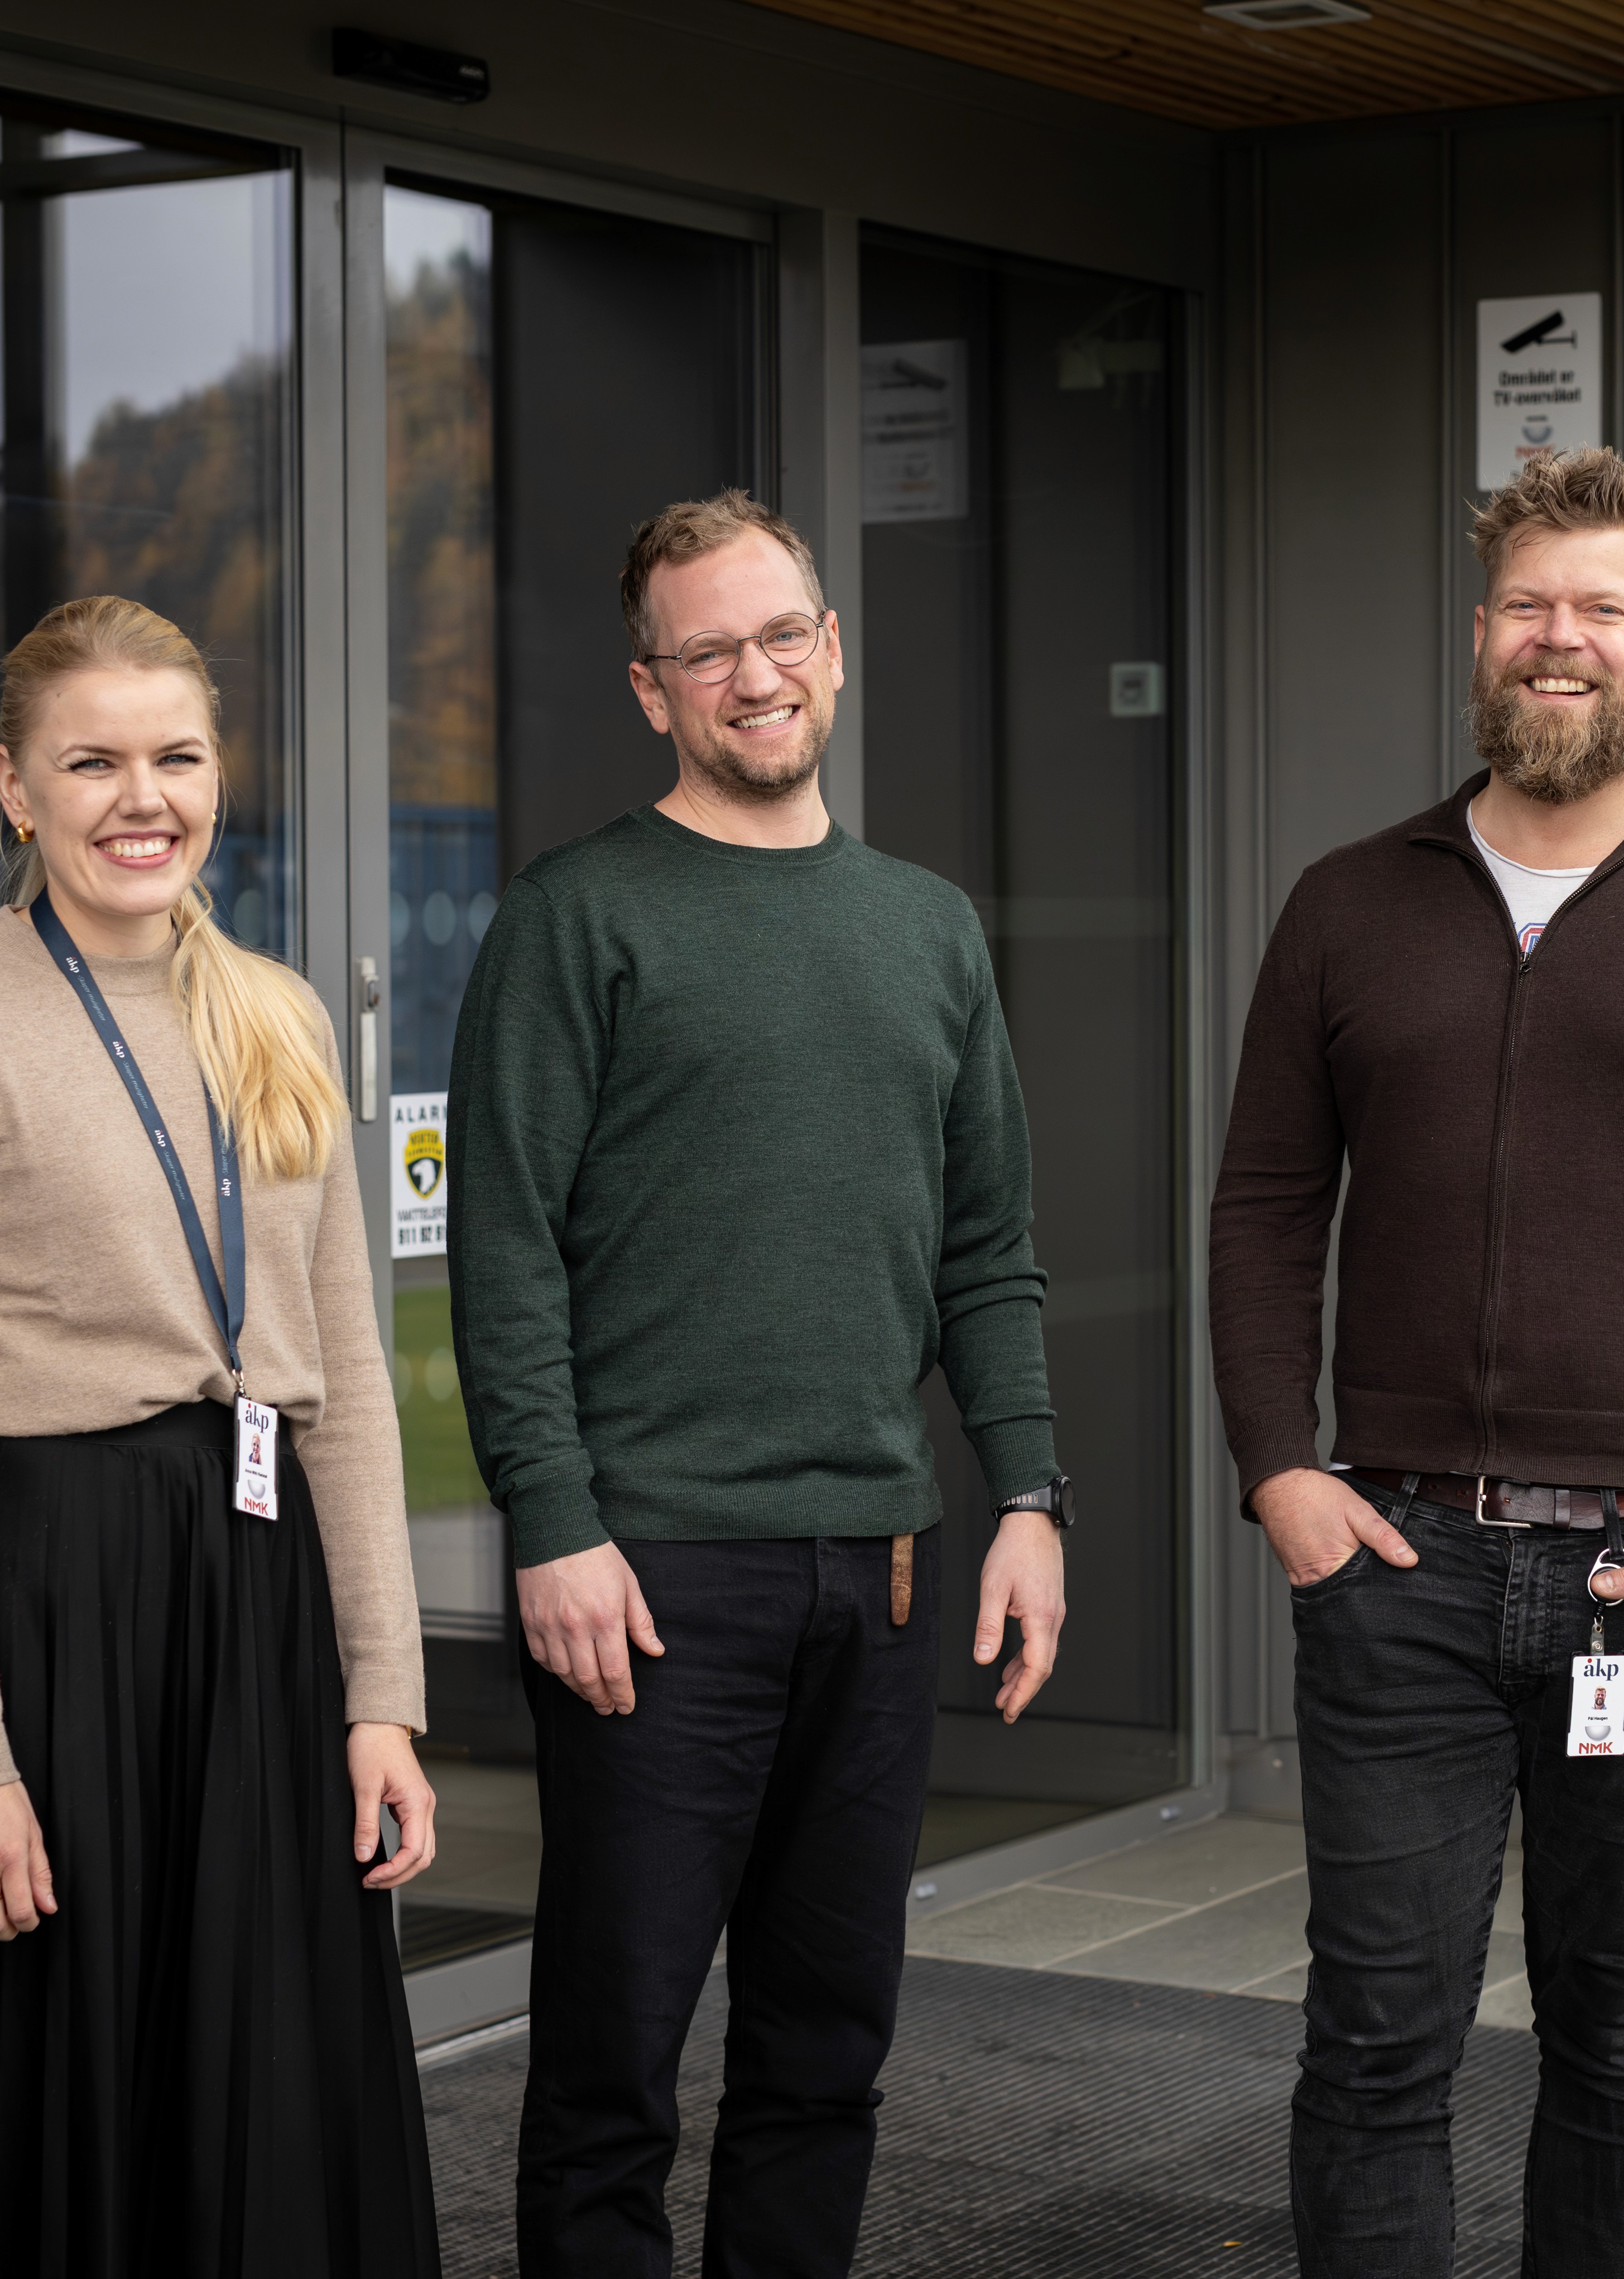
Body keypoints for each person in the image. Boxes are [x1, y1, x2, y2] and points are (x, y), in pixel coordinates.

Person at [1206, 447, 1624, 2277]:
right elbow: (1265, 1207)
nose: (1560, 639)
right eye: (1528, 604)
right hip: (1400, 1568)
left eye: (1600, 608)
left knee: (1616, 2035)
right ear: (1481, 643)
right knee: (1372, 2044)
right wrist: (1283, 1468)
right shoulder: (1352, 903)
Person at [447, 489, 1072, 2279]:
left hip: (878, 1573)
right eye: (706, 647)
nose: (753, 672)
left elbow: (988, 1252)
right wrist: (552, 1523)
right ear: (651, 689)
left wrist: (1025, 1497)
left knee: (825, 2054)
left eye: (778, 633)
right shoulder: (577, 919)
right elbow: (505, 1255)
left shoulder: (928, 929)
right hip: (649, 1583)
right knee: (612, 2064)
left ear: (834, 652)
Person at [0, 596, 441, 2277]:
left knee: (258, 2087)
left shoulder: (281, 1019)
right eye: (91, 761)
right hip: (47, 1609)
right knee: (54, 2089)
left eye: (175, 756)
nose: (138, 796)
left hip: (253, 1611)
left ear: (218, 778)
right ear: (14, 788)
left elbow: (348, 1389)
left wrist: (381, 1691)